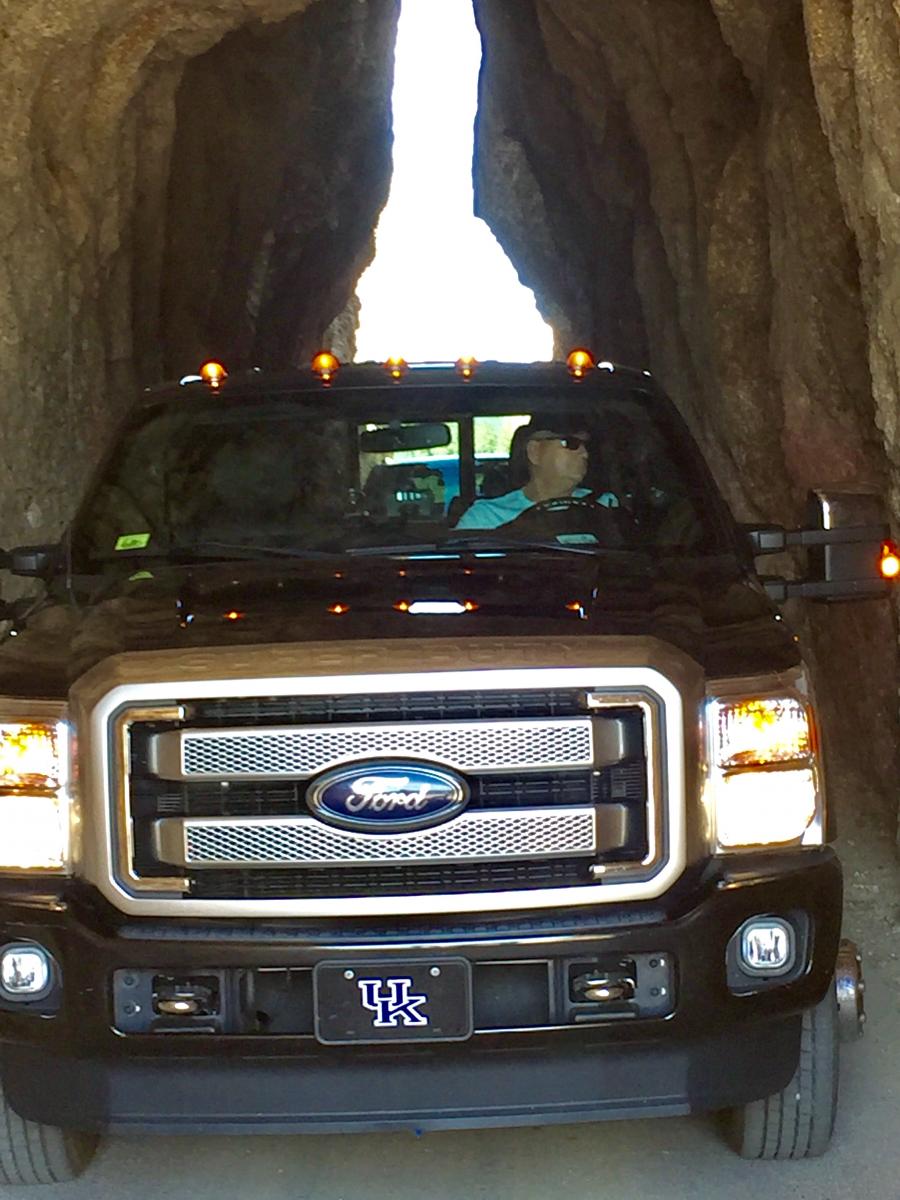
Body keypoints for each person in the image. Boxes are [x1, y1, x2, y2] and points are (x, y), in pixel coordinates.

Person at [454, 417, 612, 530]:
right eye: (571, 444)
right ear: (534, 452)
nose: (584, 454)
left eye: (585, 445)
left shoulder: (605, 506)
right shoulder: (486, 518)